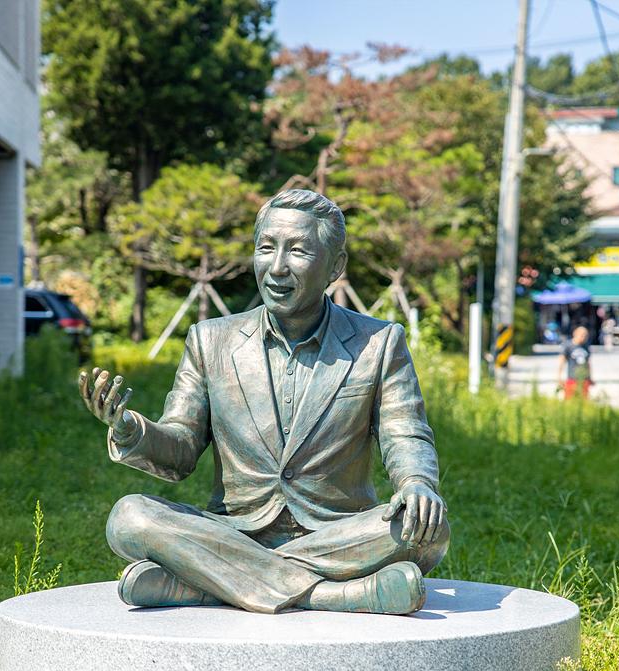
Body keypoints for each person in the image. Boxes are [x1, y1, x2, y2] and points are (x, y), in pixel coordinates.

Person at [78, 190, 449, 616]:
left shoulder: (378, 343)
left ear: (336, 266)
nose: (276, 268)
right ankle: (334, 595)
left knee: (426, 531)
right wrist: (131, 430)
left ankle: (206, 584)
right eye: (266, 248)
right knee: (130, 517)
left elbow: (406, 432)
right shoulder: (210, 340)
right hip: (234, 530)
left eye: (298, 251)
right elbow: (179, 452)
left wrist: (417, 484)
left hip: (336, 532)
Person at [557, 326, 593, 399]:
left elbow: (588, 363)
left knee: (584, 400)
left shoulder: (586, 346)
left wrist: (590, 376)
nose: (584, 338)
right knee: (569, 399)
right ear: (575, 334)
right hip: (572, 378)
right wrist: (559, 377)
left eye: (586, 336)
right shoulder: (568, 345)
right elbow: (561, 361)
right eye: (582, 335)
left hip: (584, 378)